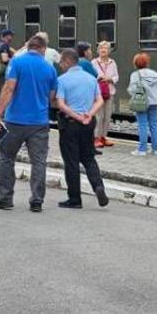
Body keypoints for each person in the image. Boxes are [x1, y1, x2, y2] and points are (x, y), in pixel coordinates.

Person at [0, 33, 58, 212]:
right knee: (39, 162)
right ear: (43, 49)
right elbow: (52, 97)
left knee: (7, 158)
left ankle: (5, 198)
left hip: (15, 120)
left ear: (28, 47)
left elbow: (9, 88)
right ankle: (37, 200)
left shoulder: (16, 62)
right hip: (39, 122)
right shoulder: (49, 68)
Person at [53, 48, 109, 209]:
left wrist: (77, 116)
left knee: (71, 162)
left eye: (62, 62)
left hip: (70, 124)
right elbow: (99, 100)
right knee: (89, 157)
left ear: (68, 61)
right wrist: (89, 114)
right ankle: (98, 186)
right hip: (88, 124)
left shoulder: (62, 80)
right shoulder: (91, 78)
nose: (61, 65)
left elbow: (61, 104)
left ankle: (75, 199)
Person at [128, 52, 157, 156]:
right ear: (147, 63)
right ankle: (156, 149)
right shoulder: (154, 74)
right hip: (154, 102)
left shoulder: (135, 75)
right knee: (154, 125)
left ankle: (142, 150)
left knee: (142, 125)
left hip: (141, 102)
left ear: (136, 63)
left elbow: (132, 89)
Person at [92, 41, 119, 148]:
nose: (103, 50)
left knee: (107, 117)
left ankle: (103, 137)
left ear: (109, 51)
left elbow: (117, 76)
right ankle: (96, 138)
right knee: (99, 116)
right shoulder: (94, 62)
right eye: (101, 48)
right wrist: (98, 78)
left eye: (106, 48)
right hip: (98, 93)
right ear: (98, 50)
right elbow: (90, 76)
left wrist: (111, 79)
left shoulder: (113, 62)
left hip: (110, 92)